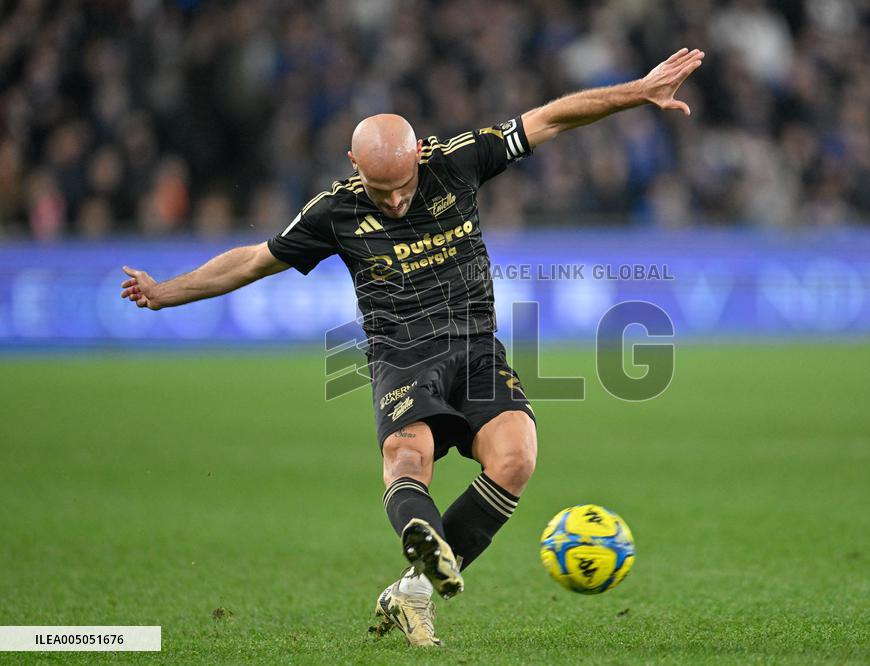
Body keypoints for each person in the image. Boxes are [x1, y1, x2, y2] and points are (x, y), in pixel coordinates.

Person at [120, 47, 704, 647]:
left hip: (477, 348)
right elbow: (254, 261)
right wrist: (167, 292)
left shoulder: (458, 161)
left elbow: (550, 118)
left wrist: (638, 91)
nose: (396, 201)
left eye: (402, 186)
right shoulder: (335, 210)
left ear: (420, 152)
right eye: (381, 189)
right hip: (401, 354)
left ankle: (413, 591)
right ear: (352, 164)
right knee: (407, 458)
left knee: (517, 457)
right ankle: (426, 550)